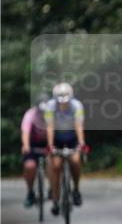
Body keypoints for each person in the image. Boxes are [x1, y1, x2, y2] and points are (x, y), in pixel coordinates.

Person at [44, 83, 87, 215]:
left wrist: (81, 143)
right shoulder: (50, 106)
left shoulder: (77, 106)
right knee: (56, 166)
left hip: (71, 137)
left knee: (75, 160)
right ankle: (56, 199)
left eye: (66, 102)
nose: (63, 104)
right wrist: (50, 145)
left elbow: (79, 125)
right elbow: (50, 127)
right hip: (57, 138)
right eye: (60, 102)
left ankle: (76, 189)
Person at [21, 97, 50, 208]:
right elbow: (25, 132)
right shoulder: (30, 115)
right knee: (30, 166)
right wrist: (26, 146)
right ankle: (30, 192)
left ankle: (53, 188)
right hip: (32, 144)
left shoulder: (52, 115)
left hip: (48, 144)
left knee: (54, 163)